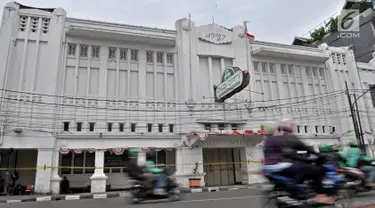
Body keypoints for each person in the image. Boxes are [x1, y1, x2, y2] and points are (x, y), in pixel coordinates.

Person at [262, 118, 336, 204]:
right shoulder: (286, 138)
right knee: (317, 170)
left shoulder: (266, 140)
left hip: (270, 167)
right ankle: (319, 196)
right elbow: (303, 148)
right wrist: (317, 156)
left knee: (304, 169)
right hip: (284, 164)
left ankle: (301, 191)